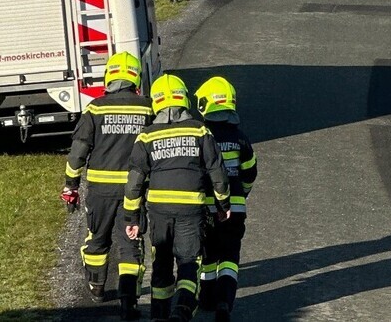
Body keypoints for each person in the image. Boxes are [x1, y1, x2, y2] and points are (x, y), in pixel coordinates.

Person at [124, 74, 230, 322]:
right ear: (184, 100)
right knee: (188, 262)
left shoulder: (146, 136)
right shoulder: (200, 130)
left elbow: (134, 183)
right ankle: (182, 310)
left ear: (157, 102)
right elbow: (217, 172)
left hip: (159, 210)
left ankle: (159, 315)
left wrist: (132, 217)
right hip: (191, 209)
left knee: (161, 263)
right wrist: (223, 203)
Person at [62, 52, 153, 319]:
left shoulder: (95, 108)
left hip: (100, 189)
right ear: (136, 78)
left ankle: (97, 288)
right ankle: (128, 300)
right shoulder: (147, 108)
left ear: (109, 77)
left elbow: (78, 152)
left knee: (97, 238)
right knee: (130, 243)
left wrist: (71, 185)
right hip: (134, 191)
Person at [195, 77, 258, 322]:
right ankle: (224, 301)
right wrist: (242, 193)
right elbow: (250, 172)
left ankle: (207, 298)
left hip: (207, 208)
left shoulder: (201, 137)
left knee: (209, 255)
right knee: (230, 256)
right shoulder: (240, 138)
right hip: (235, 208)